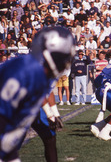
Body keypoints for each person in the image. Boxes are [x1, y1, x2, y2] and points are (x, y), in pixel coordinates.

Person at [0, 27, 75, 161]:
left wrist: (53, 114)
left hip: (10, 127)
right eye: (62, 57)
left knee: (48, 136)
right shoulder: (26, 71)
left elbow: (46, 92)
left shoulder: (40, 70)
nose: (65, 63)